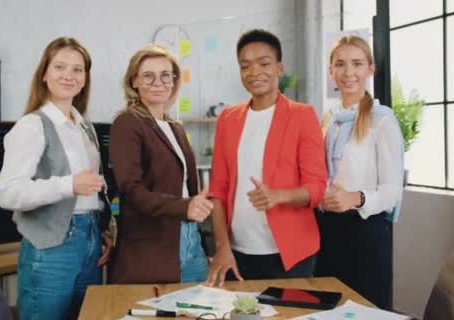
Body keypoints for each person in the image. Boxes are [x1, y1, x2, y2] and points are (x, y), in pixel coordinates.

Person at [0, 37, 114, 320]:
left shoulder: (85, 127)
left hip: (90, 241)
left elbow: (94, 188)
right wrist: (68, 184)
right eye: (60, 67)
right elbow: (8, 193)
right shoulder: (32, 125)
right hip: (51, 248)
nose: (69, 76)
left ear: (85, 79)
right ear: (45, 74)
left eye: (78, 69)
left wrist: (103, 228)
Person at [205, 29, 327, 286]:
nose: (254, 72)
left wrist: (278, 196)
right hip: (237, 253)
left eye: (264, 63)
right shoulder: (228, 118)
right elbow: (218, 190)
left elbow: (317, 189)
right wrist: (221, 247)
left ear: (279, 68)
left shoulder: (302, 115)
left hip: (291, 255)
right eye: (245, 66)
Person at [107, 45, 213, 283]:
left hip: (190, 241)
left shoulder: (174, 126)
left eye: (166, 75)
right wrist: (184, 206)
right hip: (152, 248)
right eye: (148, 76)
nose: (159, 82)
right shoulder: (127, 123)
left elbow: (185, 186)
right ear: (134, 81)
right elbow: (131, 190)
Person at [315, 35, 404, 310]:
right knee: (329, 308)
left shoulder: (383, 120)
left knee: (365, 310)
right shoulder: (328, 118)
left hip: (366, 233)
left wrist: (356, 198)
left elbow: (392, 191)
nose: (348, 72)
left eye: (357, 63)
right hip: (327, 229)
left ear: (370, 70)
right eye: (340, 64)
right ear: (331, 71)